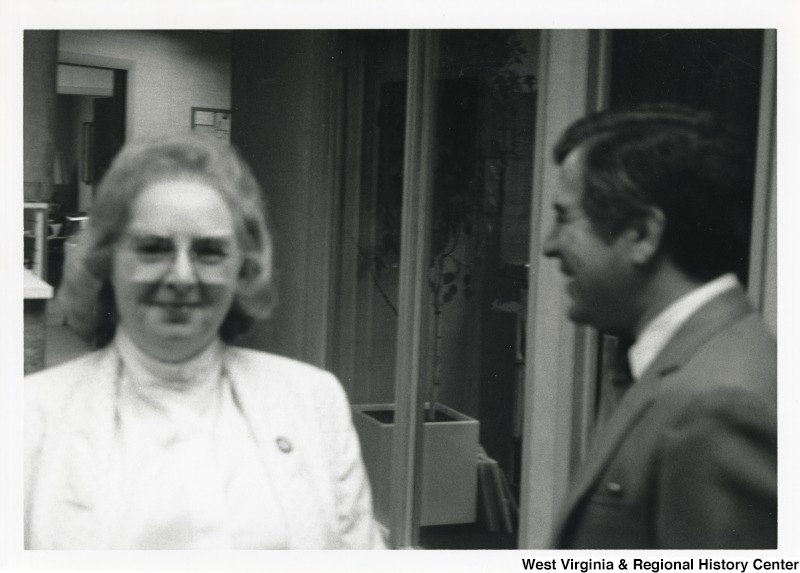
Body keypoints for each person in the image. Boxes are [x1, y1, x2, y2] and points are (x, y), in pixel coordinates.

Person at [25, 134, 386, 550]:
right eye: (153, 248)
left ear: (244, 267)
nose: (181, 276)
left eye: (209, 251)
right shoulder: (29, 418)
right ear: (107, 261)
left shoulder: (313, 400)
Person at [543, 104, 776, 549]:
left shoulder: (720, 405)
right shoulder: (686, 366)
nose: (549, 246)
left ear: (643, 235)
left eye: (565, 218)